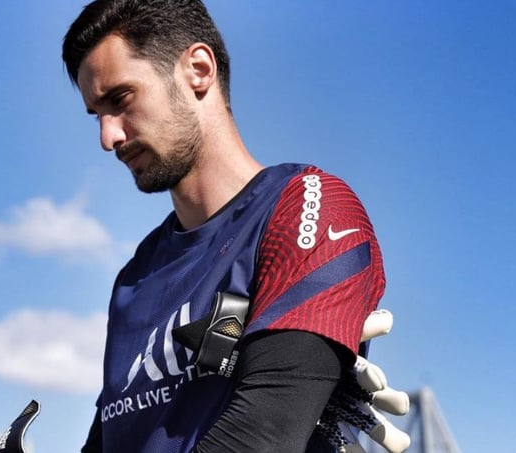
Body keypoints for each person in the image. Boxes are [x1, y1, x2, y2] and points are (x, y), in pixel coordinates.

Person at [62, 1, 409, 451]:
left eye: (121, 100)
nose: (108, 137)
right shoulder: (135, 277)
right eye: (97, 114)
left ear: (199, 70)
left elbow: (262, 437)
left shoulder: (306, 206)